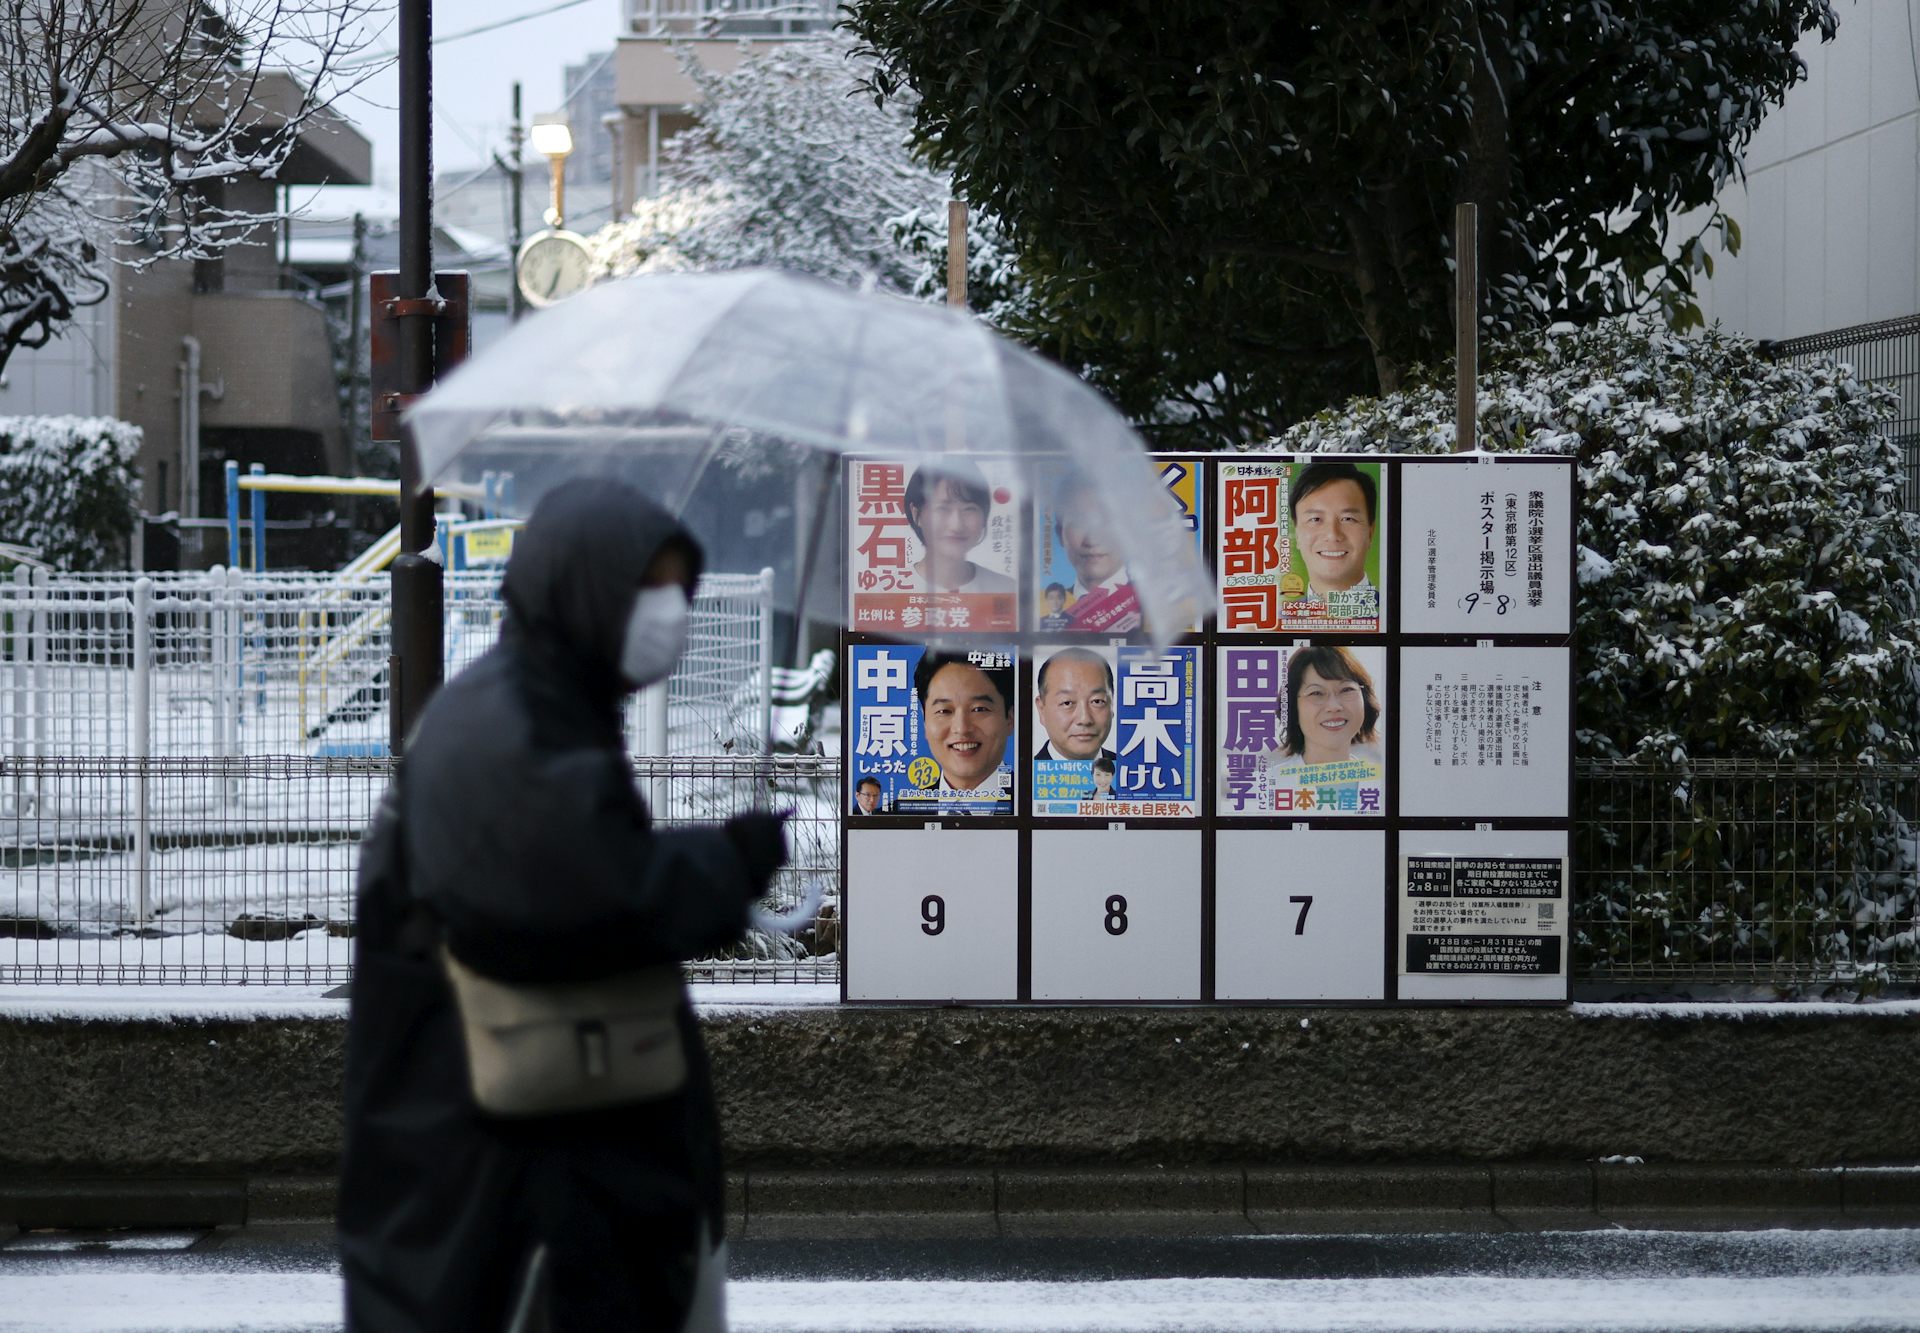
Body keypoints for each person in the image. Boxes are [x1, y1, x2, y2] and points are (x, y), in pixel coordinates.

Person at [339, 480, 788, 1333]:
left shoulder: (541, 702)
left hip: (541, 1176)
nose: (670, 612)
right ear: (585, 587)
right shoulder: (510, 725)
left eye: (675, 589)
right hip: (510, 1203)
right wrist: (726, 861)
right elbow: (586, 890)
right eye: (648, 588)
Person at [910, 650, 1014, 813]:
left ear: (1010, 717)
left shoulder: (1045, 807)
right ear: (924, 719)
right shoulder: (891, 818)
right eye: (944, 711)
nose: (962, 728)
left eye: (979, 709)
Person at [902, 458, 1015, 595]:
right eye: (943, 508)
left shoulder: (1007, 589)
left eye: (969, 509)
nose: (956, 525)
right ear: (917, 515)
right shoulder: (886, 592)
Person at [1269, 645, 1385, 775]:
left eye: (1346, 690)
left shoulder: (1385, 781)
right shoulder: (1263, 787)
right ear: (1293, 708)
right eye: (1316, 693)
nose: (1334, 706)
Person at [1051, 470, 1141, 632]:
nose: (1092, 540)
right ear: (1060, 533)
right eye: (1080, 522)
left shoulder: (1156, 608)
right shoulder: (1047, 615)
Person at [1289, 461, 1378, 604]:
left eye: (1348, 519)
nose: (1333, 534)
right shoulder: (1274, 624)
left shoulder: (1398, 611)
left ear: (1370, 532)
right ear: (1297, 533)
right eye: (1315, 519)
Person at [1032, 647, 1116, 764]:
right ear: (1041, 709)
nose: (1085, 719)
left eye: (1097, 701)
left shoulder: (1132, 771)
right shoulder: (1024, 776)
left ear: (1112, 705)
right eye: (1067, 703)